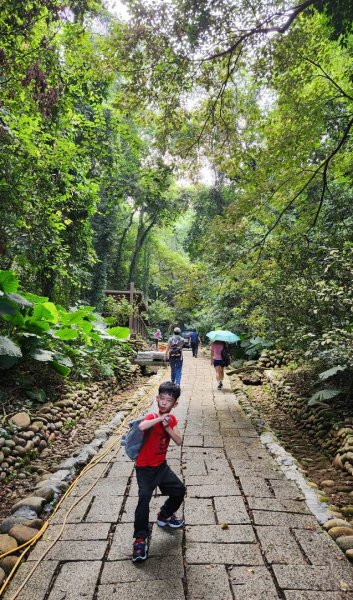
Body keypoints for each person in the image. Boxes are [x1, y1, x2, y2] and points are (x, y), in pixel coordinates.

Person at [132, 381, 185, 562]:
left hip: (161, 467)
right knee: (144, 499)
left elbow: (178, 440)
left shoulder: (172, 420)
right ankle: (140, 539)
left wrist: (167, 426)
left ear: (174, 404)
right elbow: (141, 427)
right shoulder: (152, 415)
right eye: (161, 398)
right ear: (157, 399)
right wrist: (158, 419)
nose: (164, 403)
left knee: (179, 490)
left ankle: (164, 515)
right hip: (144, 468)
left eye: (168, 400)